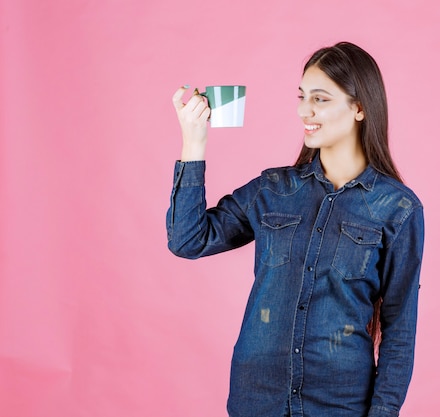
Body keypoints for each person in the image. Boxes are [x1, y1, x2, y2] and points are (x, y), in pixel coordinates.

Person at [167, 41, 425, 417]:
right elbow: (188, 239)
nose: (304, 110)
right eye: (302, 96)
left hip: (340, 404)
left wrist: (383, 413)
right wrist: (194, 141)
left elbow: (399, 328)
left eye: (320, 99)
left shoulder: (398, 208)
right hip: (257, 399)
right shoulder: (273, 190)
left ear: (359, 108)